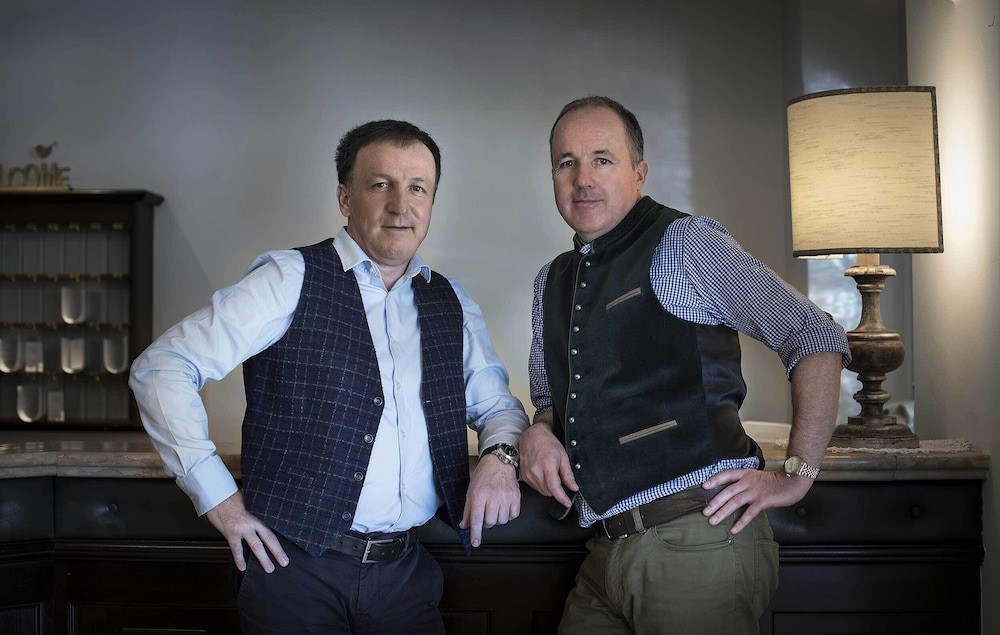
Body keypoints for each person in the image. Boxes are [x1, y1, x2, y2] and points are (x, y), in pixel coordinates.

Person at [129, 119, 528, 635]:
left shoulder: (452, 302)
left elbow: (498, 408)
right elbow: (162, 368)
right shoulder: (288, 278)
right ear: (345, 198)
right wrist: (219, 499)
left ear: (431, 203)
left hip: (406, 575)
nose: (400, 205)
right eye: (380, 184)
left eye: (418, 188)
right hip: (294, 572)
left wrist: (500, 458)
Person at [519, 96, 850, 634]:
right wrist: (537, 430)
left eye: (602, 159)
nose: (583, 178)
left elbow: (814, 335)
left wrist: (797, 474)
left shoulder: (684, 243)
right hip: (604, 551)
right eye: (566, 162)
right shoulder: (548, 283)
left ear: (639, 173)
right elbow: (551, 402)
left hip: (699, 540)